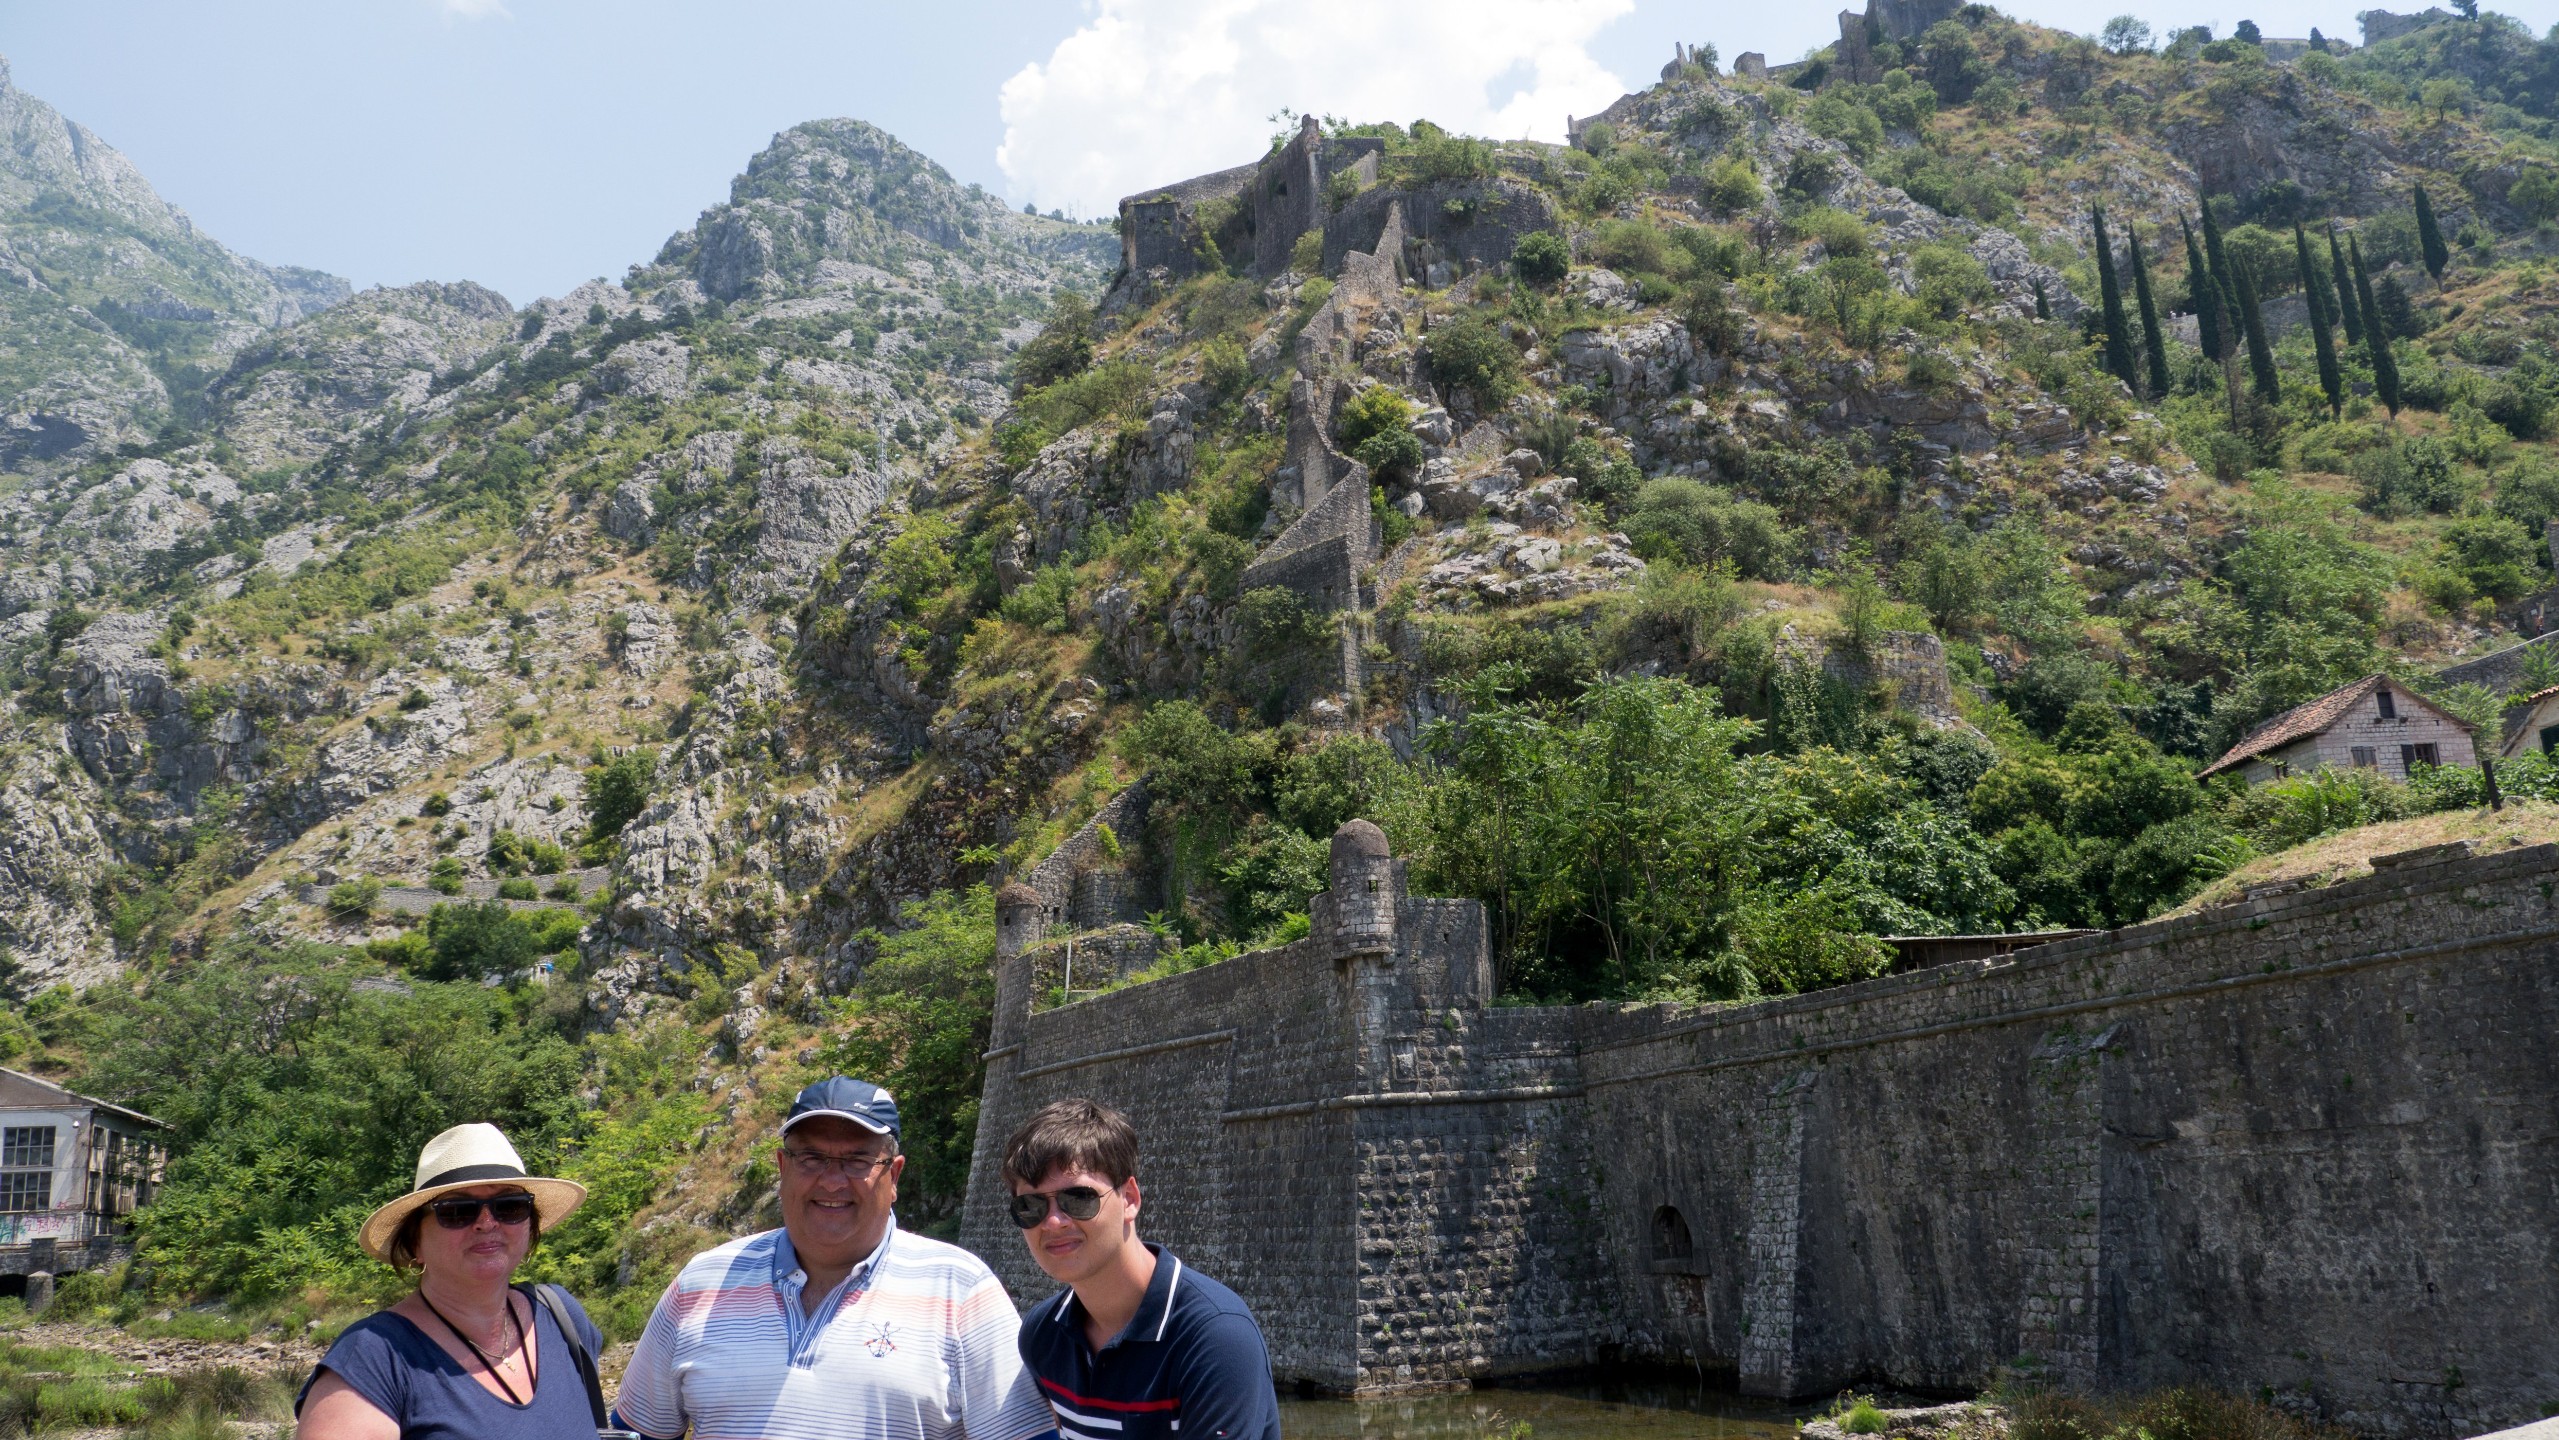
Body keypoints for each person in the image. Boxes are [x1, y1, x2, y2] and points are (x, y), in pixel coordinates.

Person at [614, 1076, 1057, 1440]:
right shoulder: (700, 1283)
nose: (831, 1182)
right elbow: (635, 1433)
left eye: (857, 1160)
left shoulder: (961, 1289)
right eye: (811, 1158)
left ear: (894, 1175)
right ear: (782, 1167)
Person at [298, 1123, 607, 1440]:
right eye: (458, 1210)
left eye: (509, 1206)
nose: (487, 1223)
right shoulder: (372, 1360)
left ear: (530, 1226)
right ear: (415, 1241)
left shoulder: (559, 1316)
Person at [1003, 1099, 1279, 1440]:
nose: (1053, 1222)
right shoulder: (1043, 1335)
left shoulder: (1216, 1339)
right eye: (1030, 1206)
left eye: (1078, 1198)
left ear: (1130, 1199)